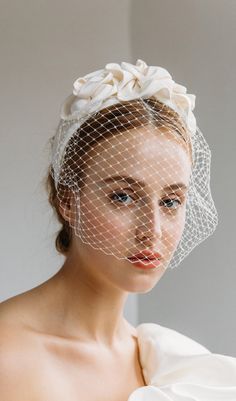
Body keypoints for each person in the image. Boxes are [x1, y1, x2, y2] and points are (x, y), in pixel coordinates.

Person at [0, 59, 235, 400]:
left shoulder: (168, 362)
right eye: (123, 196)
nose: (151, 230)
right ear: (68, 200)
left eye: (170, 202)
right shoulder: (7, 353)